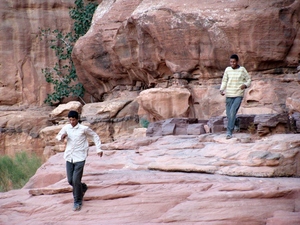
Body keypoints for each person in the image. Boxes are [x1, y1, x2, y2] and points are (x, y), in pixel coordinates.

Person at [56, 110, 103, 211]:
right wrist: (61, 137)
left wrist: (98, 149)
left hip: (80, 157)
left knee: (76, 180)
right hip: (69, 157)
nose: (72, 122)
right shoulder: (66, 128)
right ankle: (82, 188)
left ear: (77, 119)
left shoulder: (83, 129)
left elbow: (94, 136)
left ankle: (77, 201)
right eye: (70, 120)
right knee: (70, 180)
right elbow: (59, 136)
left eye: (73, 120)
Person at [220, 54, 251, 139]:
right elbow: (224, 80)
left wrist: (245, 85)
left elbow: (248, 79)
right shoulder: (227, 70)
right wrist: (222, 89)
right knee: (228, 114)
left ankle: (229, 132)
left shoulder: (242, 70)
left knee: (233, 111)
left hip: (238, 94)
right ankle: (236, 121)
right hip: (229, 94)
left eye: (234, 62)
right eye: (231, 62)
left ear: (237, 62)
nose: (232, 63)